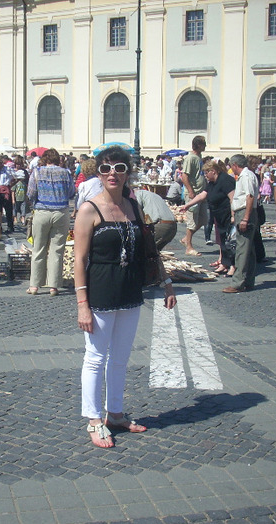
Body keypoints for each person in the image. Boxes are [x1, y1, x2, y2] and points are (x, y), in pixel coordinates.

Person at [74, 146, 176, 448]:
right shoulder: (89, 209)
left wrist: (166, 282)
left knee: (120, 359)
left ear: (127, 172)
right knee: (95, 358)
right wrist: (82, 304)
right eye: (105, 169)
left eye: (119, 168)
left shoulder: (132, 205)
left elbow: (148, 249)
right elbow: (79, 260)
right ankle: (93, 419)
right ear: (98, 174)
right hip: (101, 291)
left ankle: (114, 413)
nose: (112, 174)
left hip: (130, 291)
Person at [26, 148, 75, 296]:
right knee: (57, 250)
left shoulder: (36, 172)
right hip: (61, 212)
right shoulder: (66, 173)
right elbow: (72, 192)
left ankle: (34, 285)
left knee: (38, 248)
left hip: (42, 211)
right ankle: (53, 286)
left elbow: (31, 193)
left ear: (45, 159)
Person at [180, 159, 236, 276]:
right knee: (222, 241)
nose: (205, 175)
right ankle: (224, 264)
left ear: (213, 171)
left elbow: (232, 198)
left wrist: (233, 215)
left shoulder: (225, 180)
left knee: (230, 242)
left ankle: (233, 266)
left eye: (206, 173)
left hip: (226, 214)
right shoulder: (211, 183)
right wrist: (188, 205)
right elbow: (202, 195)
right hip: (218, 214)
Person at [223, 154, 259, 293]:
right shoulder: (245, 176)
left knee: (242, 249)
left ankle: (238, 283)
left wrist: (245, 218)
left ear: (234, 165)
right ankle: (248, 280)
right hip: (243, 212)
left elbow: (250, 196)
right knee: (248, 249)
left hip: (245, 212)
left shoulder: (247, 176)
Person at [180, 135, 208, 256]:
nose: (205, 146)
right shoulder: (190, 158)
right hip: (194, 193)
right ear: (198, 145)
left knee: (203, 219)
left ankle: (186, 238)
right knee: (192, 221)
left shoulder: (199, 157)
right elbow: (184, 176)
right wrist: (191, 191)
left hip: (201, 193)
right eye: (203, 144)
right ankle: (189, 247)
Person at [0, 157, 15, 233]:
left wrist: (10, 186)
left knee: (8, 210)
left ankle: (10, 227)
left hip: (6, 190)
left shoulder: (8, 169)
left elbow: (15, 177)